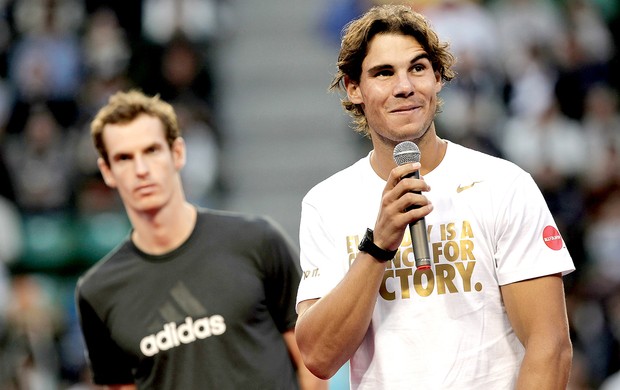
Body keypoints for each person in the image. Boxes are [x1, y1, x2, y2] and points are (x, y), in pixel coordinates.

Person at [295, 4, 575, 389]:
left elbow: (550, 346)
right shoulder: (326, 203)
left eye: (418, 68)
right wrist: (377, 246)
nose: (404, 86)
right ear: (353, 88)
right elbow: (318, 357)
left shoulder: (504, 185)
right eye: (383, 73)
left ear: (438, 77)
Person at [75, 90, 326, 389]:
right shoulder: (98, 291)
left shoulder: (257, 240)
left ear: (177, 153)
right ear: (107, 171)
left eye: (152, 150)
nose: (141, 170)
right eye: (124, 158)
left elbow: (313, 360)